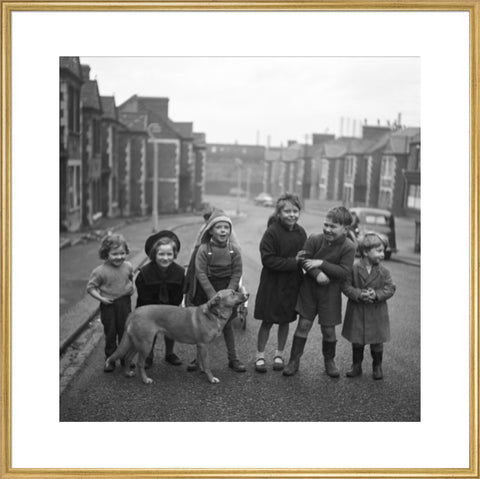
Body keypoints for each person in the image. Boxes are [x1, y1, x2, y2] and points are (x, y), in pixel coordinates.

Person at [283, 206, 356, 377]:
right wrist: (317, 274)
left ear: (346, 229)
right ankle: (294, 361)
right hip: (309, 290)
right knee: (303, 325)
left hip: (330, 294)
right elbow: (303, 260)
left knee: (329, 330)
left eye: (333, 227)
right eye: (326, 225)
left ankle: (329, 361)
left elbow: (344, 271)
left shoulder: (349, 247)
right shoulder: (315, 239)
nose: (328, 229)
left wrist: (321, 263)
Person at [185, 208, 247, 373]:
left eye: (226, 228)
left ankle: (233, 358)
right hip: (206, 291)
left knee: (227, 326)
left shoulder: (234, 250)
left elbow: (237, 272)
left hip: (227, 290)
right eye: (219, 227)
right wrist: (214, 296)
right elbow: (201, 273)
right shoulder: (203, 249)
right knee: (202, 325)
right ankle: (198, 359)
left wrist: (229, 293)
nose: (223, 230)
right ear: (210, 230)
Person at [253, 193, 307, 373]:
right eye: (287, 211)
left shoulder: (301, 233)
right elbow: (267, 260)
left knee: (285, 321)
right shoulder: (272, 232)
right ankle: (259, 356)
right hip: (272, 284)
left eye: (295, 211)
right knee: (267, 321)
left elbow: (304, 257)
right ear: (279, 213)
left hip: (292, 285)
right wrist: (294, 262)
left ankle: (279, 355)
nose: (292, 215)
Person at [341, 232, 396, 379]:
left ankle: (377, 366)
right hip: (357, 310)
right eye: (378, 251)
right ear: (365, 252)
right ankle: (356, 366)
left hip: (376, 311)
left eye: (383, 250)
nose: (382, 254)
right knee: (357, 341)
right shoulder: (353, 269)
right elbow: (345, 286)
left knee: (377, 342)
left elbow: (390, 288)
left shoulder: (384, 271)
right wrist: (359, 294)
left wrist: (376, 295)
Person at [135, 230, 185, 369]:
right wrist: (156, 313)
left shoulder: (179, 272)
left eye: (169, 254)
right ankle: (148, 355)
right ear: (154, 255)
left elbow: (178, 294)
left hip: (170, 307)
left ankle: (169, 353)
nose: (165, 258)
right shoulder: (144, 274)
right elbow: (144, 297)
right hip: (149, 309)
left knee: (171, 329)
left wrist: (171, 309)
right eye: (161, 254)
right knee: (150, 332)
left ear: (174, 255)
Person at [86, 233, 134, 372]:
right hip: (109, 305)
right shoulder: (99, 271)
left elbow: (130, 277)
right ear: (106, 254)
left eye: (122, 253)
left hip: (125, 303)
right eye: (115, 254)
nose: (119, 257)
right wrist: (102, 299)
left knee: (125, 332)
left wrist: (132, 287)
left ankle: (125, 358)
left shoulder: (128, 266)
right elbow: (90, 288)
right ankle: (110, 359)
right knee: (111, 333)